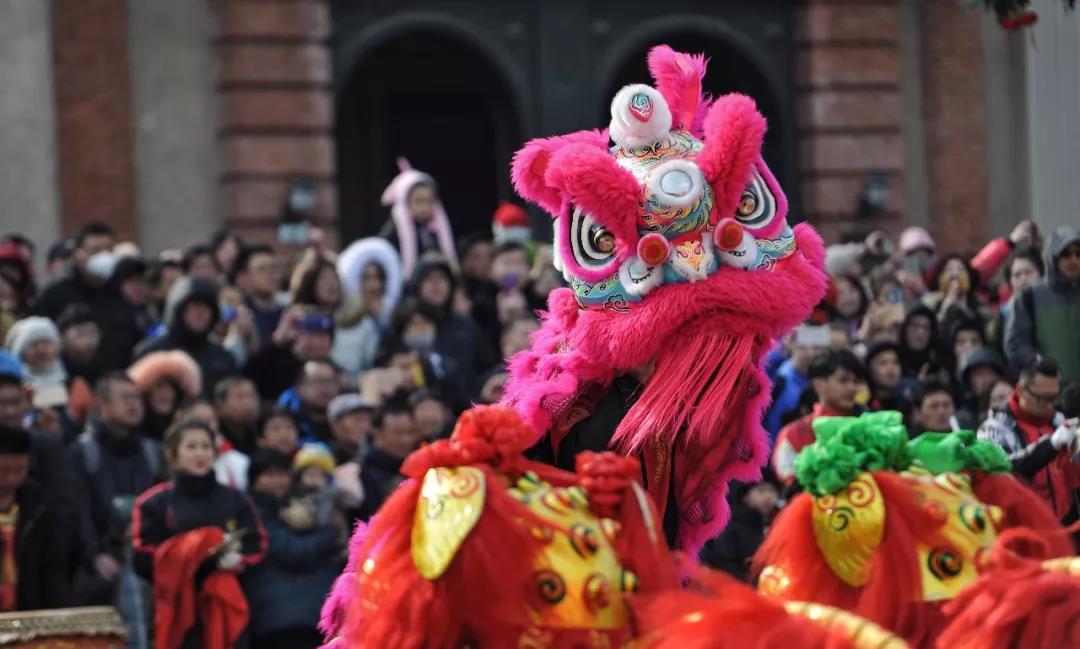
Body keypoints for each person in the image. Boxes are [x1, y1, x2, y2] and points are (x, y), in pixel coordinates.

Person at [132, 419, 267, 649]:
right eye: (191, 447)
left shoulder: (236, 499)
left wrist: (237, 562)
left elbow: (257, 546)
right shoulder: (153, 503)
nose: (200, 454)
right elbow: (143, 558)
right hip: (177, 608)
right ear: (174, 454)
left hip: (227, 604)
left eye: (206, 447)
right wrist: (193, 552)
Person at [69, 373, 164, 605]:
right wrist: (94, 555)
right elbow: (78, 510)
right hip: (100, 563)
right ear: (101, 404)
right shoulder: (82, 452)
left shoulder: (152, 451)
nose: (133, 404)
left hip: (147, 557)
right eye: (124, 398)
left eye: (136, 397)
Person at [242, 449, 341, 649]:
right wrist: (329, 533)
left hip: (315, 614)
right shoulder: (252, 514)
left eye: (282, 474)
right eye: (269, 475)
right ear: (255, 480)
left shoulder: (303, 507)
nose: (278, 480)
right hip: (284, 618)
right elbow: (294, 552)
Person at [978, 356, 1078, 521]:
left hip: (1068, 526)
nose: (1050, 405)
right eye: (1043, 399)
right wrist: (1050, 446)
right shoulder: (993, 429)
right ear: (1020, 391)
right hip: (1024, 531)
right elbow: (1003, 473)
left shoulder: (1059, 420)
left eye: (1054, 398)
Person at [772, 350, 865, 485]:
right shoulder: (795, 433)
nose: (852, 388)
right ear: (819, 384)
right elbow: (789, 480)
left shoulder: (868, 427)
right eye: (843, 380)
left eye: (856, 381)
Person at [0, 425, 67, 610]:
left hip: (28, 607)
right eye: (4, 471)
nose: (12, 478)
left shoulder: (39, 504)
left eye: (19, 470)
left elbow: (52, 570)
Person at [135, 276, 237, 398]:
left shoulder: (223, 357)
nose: (200, 313)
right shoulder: (152, 353)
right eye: (194, 306)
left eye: (206, 307)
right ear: (178, 310)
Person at [410, 256, 497, 393]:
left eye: (442, 278)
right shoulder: (407, 322)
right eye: (428, 278)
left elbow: (485, 367)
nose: (436, 284)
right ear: (417, 285)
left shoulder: (465, 325)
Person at [1006, 226, 1080, 384]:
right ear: (1053, 257)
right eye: (1066, 254)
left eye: (1078, 254)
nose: (1074, 260)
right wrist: (1040, 366)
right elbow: (1016, 345)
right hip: (1049, 395)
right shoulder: (1030, 296)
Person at [378, 159, 457, 278]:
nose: (425, 207)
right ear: (407, 202)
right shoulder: (393, 231)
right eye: (419, 201)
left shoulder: (437, 230)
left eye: (429, 201)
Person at [698, 468, 781, 582]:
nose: (768, 496)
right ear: (746, 497)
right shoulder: (731, 524)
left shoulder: (779, 522)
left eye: (772, 490)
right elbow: (721, 560)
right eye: (761, 491)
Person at [334, 238, 403, 373]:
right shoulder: (342, 318)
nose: (374, 286)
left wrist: (383, 320)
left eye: (379, 278)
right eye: (367, 278)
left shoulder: (397, 318)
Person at [246, 307, 334, 402]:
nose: (317, 342)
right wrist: (277, 341)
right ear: (298, 335)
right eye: (312, 335)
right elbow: (251, 373)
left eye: (323, 336)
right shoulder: (276, 359)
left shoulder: (336, 371)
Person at [358, 399, 418, 520]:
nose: (405, 440)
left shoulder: (421, 466)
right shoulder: (363, 471)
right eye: (398, 433)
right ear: (378, 434)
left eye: (410, 432)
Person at [127, 350, 202, 441]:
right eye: (159, 386)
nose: (165, 393)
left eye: (172, 387)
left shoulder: (189, 430)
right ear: (147, 391)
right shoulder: (131, 432)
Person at [763, 332, 821, 439]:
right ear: (793, 346)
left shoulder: (817, 381)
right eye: (803, 347)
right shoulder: (778, 375)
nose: (810, 353)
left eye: (816, 348)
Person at [231, 244, 284, 342]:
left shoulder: (285, 312)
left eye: (274, 267)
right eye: (262, 269)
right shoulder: (239, 315)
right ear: (243, 278)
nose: (271, 273)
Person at [278, 359, 339, 445]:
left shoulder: (343, 424)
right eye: (318, 381)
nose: (326, 388)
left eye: (330, 381)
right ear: (299, 387)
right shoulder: (286, 422)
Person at [954, 346, 1007, 429]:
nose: (986, 380)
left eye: (990, 373)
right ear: (968, 381)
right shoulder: (963, 418)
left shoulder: (1007, 410)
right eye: (979, 374)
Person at [214, 377, 261, 456]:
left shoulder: (263, 432)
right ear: (220, 405)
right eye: (240, 397)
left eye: (251, 396)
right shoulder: (215, 437)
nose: (248, 403)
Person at [326, 393, 375, 464]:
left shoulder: (379, 455)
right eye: (358, 419)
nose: (366, 426)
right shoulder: (324, 456)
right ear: (337, 425)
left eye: (369, 419)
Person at [898, 305, 940, 379]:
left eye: (926, 327)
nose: (920, 333)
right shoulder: (895, 361)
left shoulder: (938, 365)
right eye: (915, 326)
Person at [865, 340, 907, 413]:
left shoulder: (907, 406)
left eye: (895, 362)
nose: (891, 368)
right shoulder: (863, 405)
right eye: (883, 363)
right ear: (870, 369)